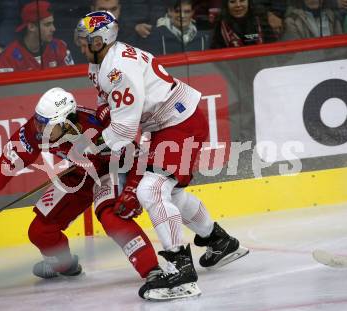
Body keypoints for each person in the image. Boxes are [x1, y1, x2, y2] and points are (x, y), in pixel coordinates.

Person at [76, 10, 249, 300]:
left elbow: (123, 131)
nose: (80, 45)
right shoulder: (101, 64)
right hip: (169, 124)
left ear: (101, 40)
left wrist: (86, 149)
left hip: (178, 123)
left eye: (86, 40)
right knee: (171, 194)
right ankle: (220, 241)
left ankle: (181, 271)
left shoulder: (116, 70)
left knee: (151, 190)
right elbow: (110, 109)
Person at [0, 87, 159, 283]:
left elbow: (135, 155)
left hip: (112, 169)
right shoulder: (36, 130)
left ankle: (152, 270)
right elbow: (9, 160)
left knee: (111, 217)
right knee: (40, 231)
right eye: (38, 122)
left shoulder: (97, 128)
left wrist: (132, 188)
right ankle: (63, 263)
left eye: (46, 125)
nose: (39, 130)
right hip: (80, 173)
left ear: (67, 122)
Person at [0, 1, 74, 73]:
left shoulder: (59, 47)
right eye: (47, 24)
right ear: (31, 27)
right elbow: (7, 87)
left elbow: (71, 81)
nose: (53, 29)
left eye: (52, 23)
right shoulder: (9, 56)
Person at [139, 0, 210, 55]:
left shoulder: (203, 37)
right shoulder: (156, 36)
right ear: (170, 12)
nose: (182, 15)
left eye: (187, 12)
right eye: (177, 11)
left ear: (192, 13)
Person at [210, 0, 276, 48]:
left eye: (242, 0)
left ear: (248, 2)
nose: (238, 5)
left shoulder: (260, 19)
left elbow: (273, 45)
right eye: (232, 2)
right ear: (226, 5)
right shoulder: (220, 25)